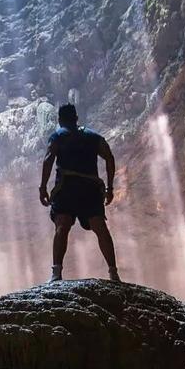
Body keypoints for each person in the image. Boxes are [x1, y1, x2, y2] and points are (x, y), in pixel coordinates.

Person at [39, 104, 120, 283]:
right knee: (100, 227)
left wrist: (43, 187)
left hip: (67, 188)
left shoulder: (58, 136)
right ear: (76, 118)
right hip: (90, 189)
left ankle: (56, 273)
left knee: (62, 226)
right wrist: (109, 187)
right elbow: (109, 157)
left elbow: (48, 159)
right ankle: (113, 273)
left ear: (60, 120)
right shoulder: (93, 136)